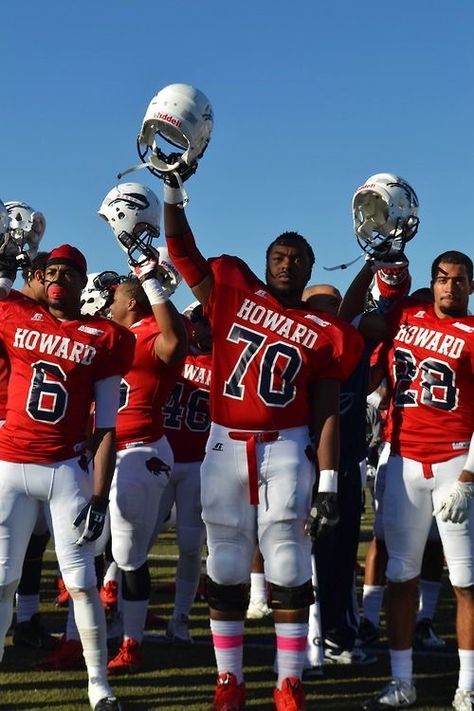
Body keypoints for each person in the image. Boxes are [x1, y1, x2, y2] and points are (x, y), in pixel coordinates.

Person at [163, 176, 364, 710]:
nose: (286, 263)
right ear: (267, 259)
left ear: (309, 268)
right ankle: (229, 679)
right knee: (226, 562)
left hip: (285, 446)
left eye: (297, 258)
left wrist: (327, 481)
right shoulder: (231, 287)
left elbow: (326, 412)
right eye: (279, 254)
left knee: (289, 563)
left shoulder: (324, 330)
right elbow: (180, 250)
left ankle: (289, 681)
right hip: (226, 443)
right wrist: (172, 193)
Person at [0, 244, 135, 710]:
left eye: (69, 273)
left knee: (81, 582)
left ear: (84, 282)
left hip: (63, 469)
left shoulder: (104, 336)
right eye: (51, 270)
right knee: (2, 581)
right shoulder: (16, 314)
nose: (59, 278)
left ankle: (98, 684)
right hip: (10, 465)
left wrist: (100, 498)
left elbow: (106, 428)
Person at [340, 250, 474, 711]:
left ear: (470, 287)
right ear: (432, 282)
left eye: (459, 280)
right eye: (443, 278)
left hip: (455, 462)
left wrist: (470, 475)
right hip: (401, 461)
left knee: (465, 581)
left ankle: (468, 685)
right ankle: (402, 682)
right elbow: (352, 319)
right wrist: (373, 264)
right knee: (401, 577)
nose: (450, 287)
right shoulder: (403, 317)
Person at [103, 271, 187, 673]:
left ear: (132, 302)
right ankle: (90, 630)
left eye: (115, 299)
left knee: (128, 552)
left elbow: (175, 342)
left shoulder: (155, 328)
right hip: (100, 450)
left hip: (139, 451)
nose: (109, 305)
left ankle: (131, 642)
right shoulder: (109, 333)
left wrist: (152, 284)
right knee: (89, 547)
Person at [157, 301, 212, 644]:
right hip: (160, 457)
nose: (204, 327)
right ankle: (120, 609)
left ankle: (180, 617)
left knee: (191, 546)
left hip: (198, 463)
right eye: (200, 320)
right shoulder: (172, 350)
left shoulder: (229, 360)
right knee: (135, 539)